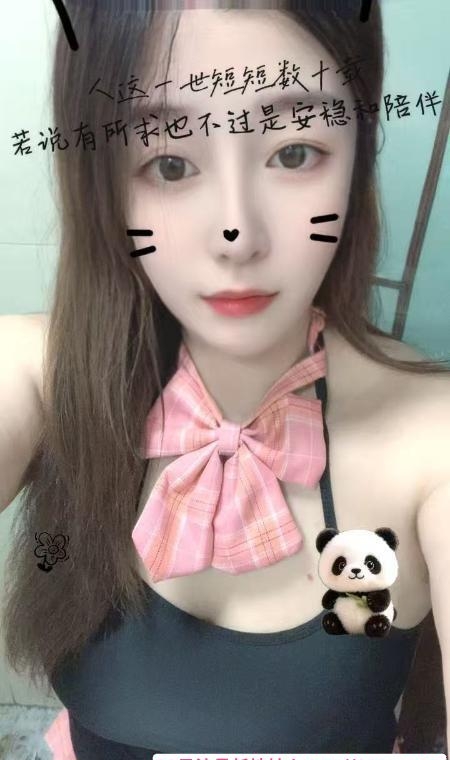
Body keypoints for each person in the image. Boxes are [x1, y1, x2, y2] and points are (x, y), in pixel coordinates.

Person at [0, 1, 449, 758]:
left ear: (358, 151)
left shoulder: (431, 441)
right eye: (170, 163)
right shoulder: (39, 375)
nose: (236, 235)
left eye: (295, 152)